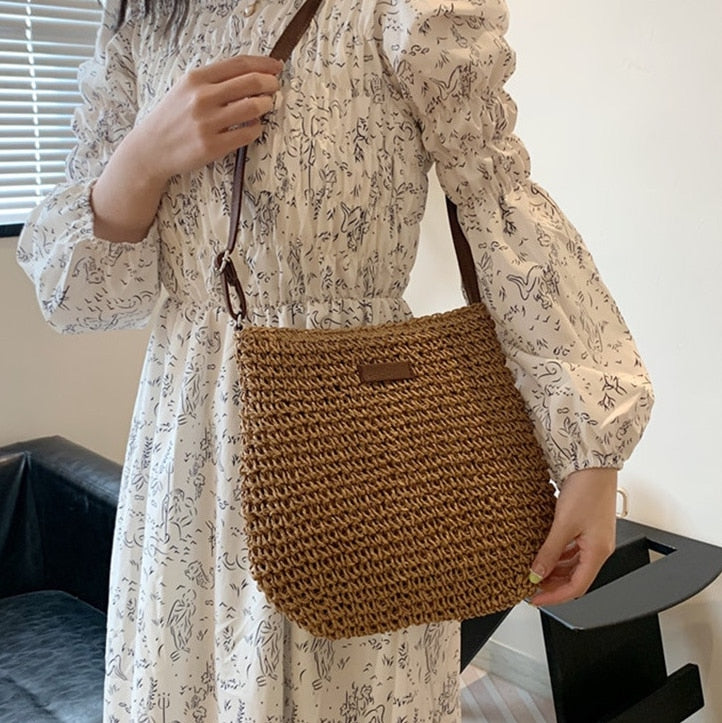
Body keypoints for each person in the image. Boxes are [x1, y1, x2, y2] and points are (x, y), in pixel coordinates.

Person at [17, 0, 654, 719]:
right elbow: (81, 295)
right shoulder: (142, 19)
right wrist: (144, 157)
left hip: (361, 444)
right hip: (188, 451)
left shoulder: (404, 10)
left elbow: (495, 200)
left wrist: (590, 454)